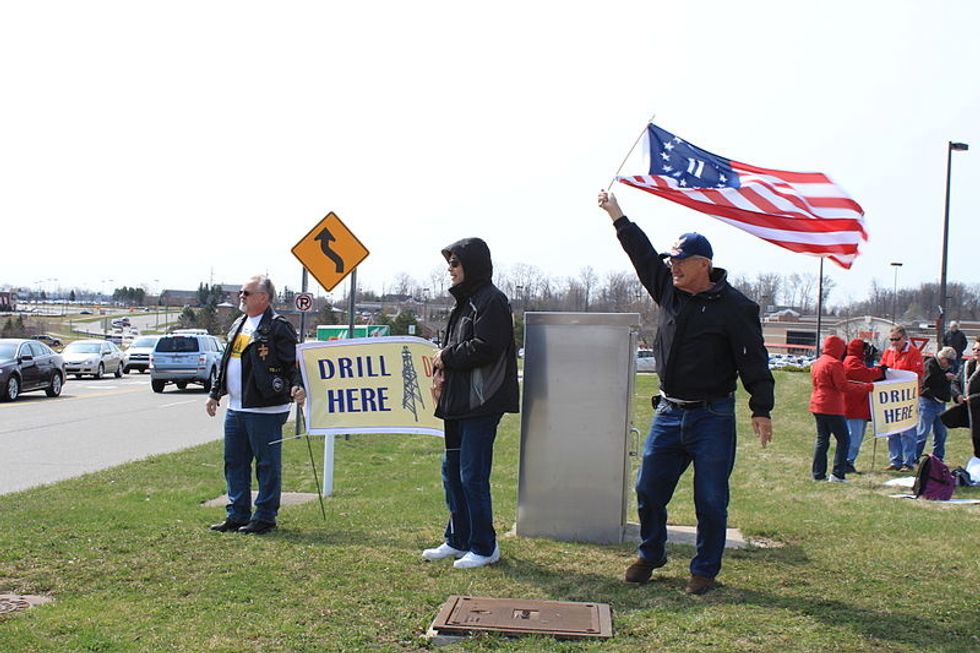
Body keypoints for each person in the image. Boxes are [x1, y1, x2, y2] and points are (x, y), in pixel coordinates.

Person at [598, 191, 774, 595]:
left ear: (703, 265)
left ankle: (704, 569)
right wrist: (616, 214)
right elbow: (641, 254)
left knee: (710, 498)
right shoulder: (668, 290)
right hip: (669, 412)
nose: (672, 267)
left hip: (712, 416)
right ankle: (652, 552)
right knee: (648, 489)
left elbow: (754, 361)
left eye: (680, 261)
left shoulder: (735, 307)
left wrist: (761, 408)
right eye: (671, 261)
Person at [422, 238, 519, 569]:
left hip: (482, 402)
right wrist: (440, 371)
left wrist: (445, 356)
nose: (450, 270)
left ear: (472, 265)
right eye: (448, 263)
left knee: (471, 475)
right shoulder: (463, 303)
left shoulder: (492, 301)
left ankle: (484, 545)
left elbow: (487, 346)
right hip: (457, 401)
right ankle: (458, 538)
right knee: (451, 472)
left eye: (455, 263)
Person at [206, 275, 305, 535]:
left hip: (265, 409)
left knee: (266, 464)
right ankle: (237, 513)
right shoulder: (239, 324)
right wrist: (215, 393)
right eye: (241, 292)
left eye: (247, 293)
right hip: (236, 408)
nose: (241, 296)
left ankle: (264, 516)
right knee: (234, 462)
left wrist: (297, 385)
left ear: (264, 297)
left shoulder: (277, 326)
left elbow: (292, 362)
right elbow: (227, 360)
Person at [809, 336, 876, 482]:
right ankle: (838, 473)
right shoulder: (834, 364)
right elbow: (843, 386)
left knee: (822, 440)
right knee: (844, 440)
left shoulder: (818, 362)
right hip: (832, 407)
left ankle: (818, 474)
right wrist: (865, 388)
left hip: (817, 404)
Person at [879, 325, 924, 471]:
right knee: (892, 430)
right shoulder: (888, 352)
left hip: (908, 397)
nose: (894, 343)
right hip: (892, 397)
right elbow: (882, 369)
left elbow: (918, 374)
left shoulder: (914, 353)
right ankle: (895, 460)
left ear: (904, 338)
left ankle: (908, 461)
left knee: (908, 431)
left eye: (896, 339)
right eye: (891, 339)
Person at [843, 339, 887, 473]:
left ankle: (848, 461)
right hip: (854, 406)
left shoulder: (852, 360)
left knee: (856, 435)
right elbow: (865, 375)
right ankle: (847, 462)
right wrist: (880, 371)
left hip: (856, 405)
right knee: (854, 436)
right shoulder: (851, 361)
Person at [916, 347, 957, 461]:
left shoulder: (948, 367)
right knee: (923, 432)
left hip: (941, 402)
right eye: (948, 362)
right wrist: (944, 377)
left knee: (941, 433)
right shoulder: (930, 364)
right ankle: (914, 457)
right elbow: (927, 381)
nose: (949, 365)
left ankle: (938, 458)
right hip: (927, 401)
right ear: (942, 358)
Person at [952, 336, 980, 459]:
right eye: (974, 349)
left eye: (979, 350)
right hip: (972, 414)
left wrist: (973, 398)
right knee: (976, 443)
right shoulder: (967, 365)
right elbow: (955, 382)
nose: (975, 351)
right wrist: (958, 395)